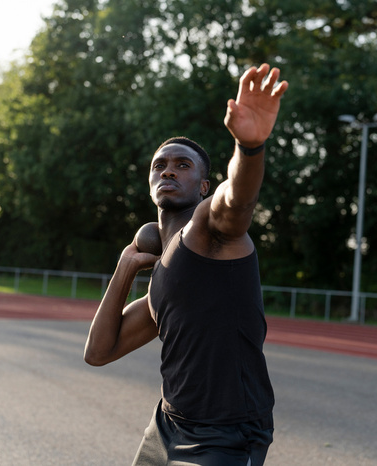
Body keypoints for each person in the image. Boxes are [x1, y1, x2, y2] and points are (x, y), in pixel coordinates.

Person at [84, 63, 289, 466]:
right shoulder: (164, 276)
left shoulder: (208, 231)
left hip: (226, 435)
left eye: (182, 165)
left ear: (203, 186)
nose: (168, 171)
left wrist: (249, 148)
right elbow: (98, 352)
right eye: (160, 166)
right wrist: (125, 268)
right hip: (168, 424)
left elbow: (237, 202)